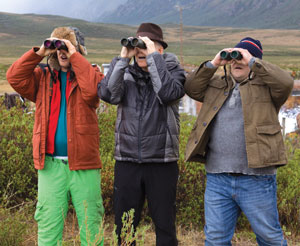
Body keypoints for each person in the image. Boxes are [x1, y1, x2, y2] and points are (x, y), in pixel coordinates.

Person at [184, 37, 294, 246]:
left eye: (242, 58)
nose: (236, 62)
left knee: (269, 238)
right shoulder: (217, 85)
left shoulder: (268, 89)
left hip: (257, 179)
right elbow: (191, 88)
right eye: (234, 58)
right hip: (217, 178)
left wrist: (251, 60)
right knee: (215, 240)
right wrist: (214, 63)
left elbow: (286, 82)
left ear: (255, 62)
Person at [6, 26, 105, 246]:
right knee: (48, 231)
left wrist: (74, 55)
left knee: (92, 232)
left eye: (67, 46)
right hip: (50, 166)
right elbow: (14, 76)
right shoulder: (42, 77)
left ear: (78, 50)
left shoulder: (91, 73)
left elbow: (92, 93)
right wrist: (39, 52)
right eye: (58, 46)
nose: (62, 51)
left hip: (85, 166)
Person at [98, 23, 185, 245]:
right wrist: (122, 59)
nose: (140, 51)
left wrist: (153, 59)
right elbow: (107, 94)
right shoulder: (125, 73)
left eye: (146, 45)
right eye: (137, 45)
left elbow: (167, 93)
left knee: (165, 227)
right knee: (124, 228)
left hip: (161, 162)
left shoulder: (174, 72)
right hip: (127, 161)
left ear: (160, 50)